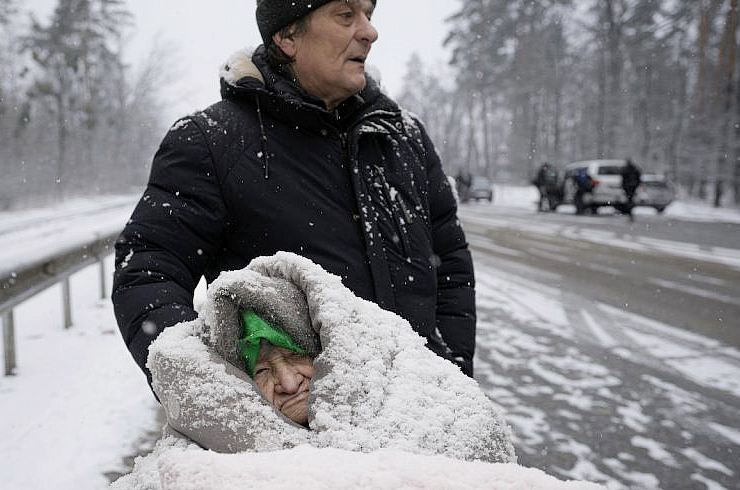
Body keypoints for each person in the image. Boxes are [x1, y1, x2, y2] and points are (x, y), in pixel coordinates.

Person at [68, 252, 516, 490]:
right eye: (261, 369)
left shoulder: (412, 402)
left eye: (297, 354)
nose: (285, 382)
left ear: (328, 347)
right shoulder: (211, 441)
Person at [111, 0, 478, 386]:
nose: (370, 32)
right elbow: (148, 270)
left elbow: (450, 262)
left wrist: (450, 371)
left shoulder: (405, 138)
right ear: (287, 36)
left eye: (369, 15)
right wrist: (219, 394)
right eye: (346, 14)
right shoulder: (210, 142)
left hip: (418, 415)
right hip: (298, 435)